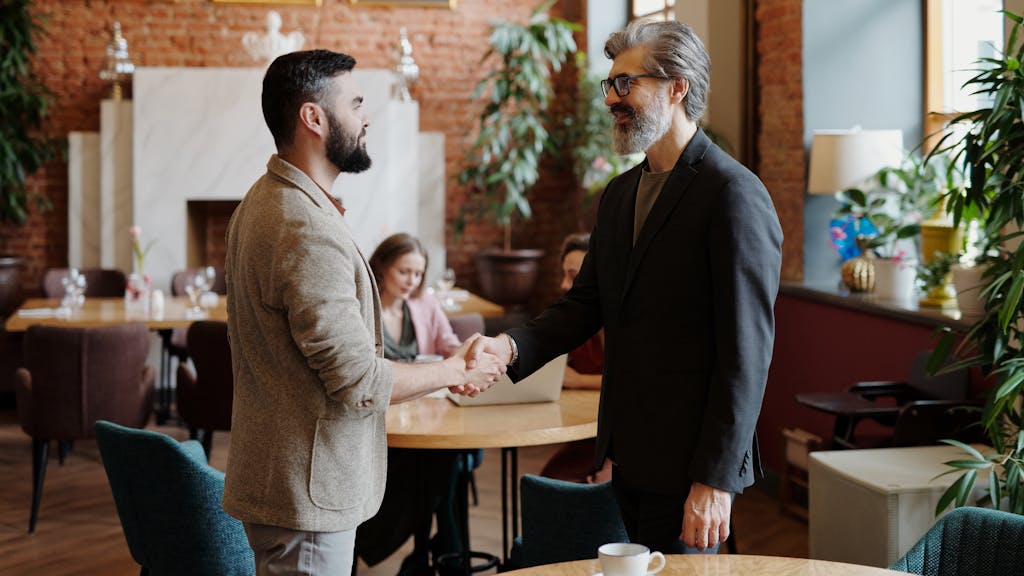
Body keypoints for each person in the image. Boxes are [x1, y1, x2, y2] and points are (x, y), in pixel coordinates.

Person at [471, 20, 783, 554]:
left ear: (677, 87)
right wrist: (510, 346)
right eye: (610, 85)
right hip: (630, 456)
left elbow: (746, 356)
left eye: (626, 84)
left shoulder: (733, 194)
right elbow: (585, 305)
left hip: (693, 469)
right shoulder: (618, 195)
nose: (612, 99)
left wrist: (715, 481)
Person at [222, 50, 504, 576]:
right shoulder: (303, 226)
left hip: (278, 479)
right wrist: (455, 370)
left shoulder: (258, 204)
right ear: (314, 117)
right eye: (355, 103)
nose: (365, 116)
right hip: (308, 493)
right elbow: (357, 379)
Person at [356, 233, 464, 576]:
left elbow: (449, 345)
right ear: (383, 266)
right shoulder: (361, 305)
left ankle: (428, 554)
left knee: (441, 456)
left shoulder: (424, 304)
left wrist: (466, 353)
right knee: (436, 468)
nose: (412, 281)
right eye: (405, 272)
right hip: (377, 420)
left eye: (418, 274)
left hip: (424, 415)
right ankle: (445, 552)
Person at [538, 233, 609, 483]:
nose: (563, 285)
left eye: (573, 275)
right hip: (589, 436)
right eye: (563, 275)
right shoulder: (577, 328)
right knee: (549, 482)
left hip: (627, 441)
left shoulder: (628, 327)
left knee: (556, 484)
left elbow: (636, 385)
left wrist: (578, 381)